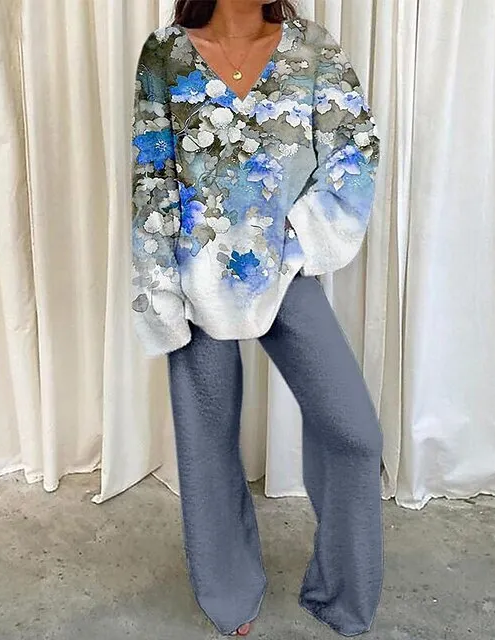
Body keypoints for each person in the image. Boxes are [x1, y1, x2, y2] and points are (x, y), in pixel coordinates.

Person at [131, 0, 383, 636]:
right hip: (195, 277)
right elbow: (152, 179)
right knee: (207, 447)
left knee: (354, 434)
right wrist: (161, 288)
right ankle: (229, 594)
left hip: (285, 272)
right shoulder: (165, 54)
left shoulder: (314, 49)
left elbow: (355, 156)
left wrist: (294, 245)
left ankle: (340, 591)